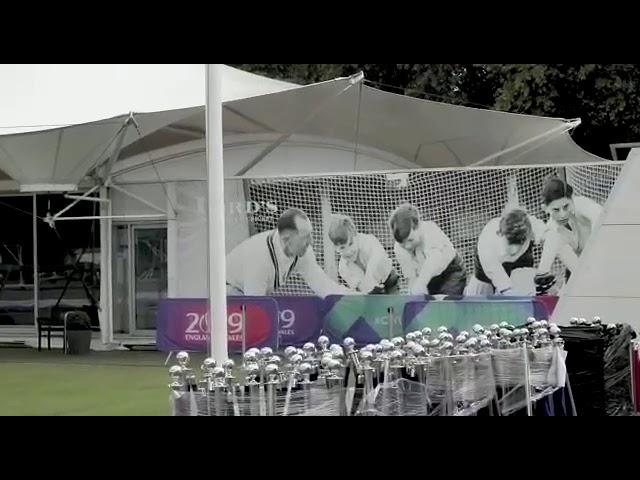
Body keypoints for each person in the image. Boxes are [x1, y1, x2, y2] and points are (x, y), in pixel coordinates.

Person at [226, 208, 357, 297]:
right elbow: (254, 306)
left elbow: (322, 285)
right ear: (287, 239)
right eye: (305, 236)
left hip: (249, 295)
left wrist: (354, 296)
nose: (311, 241)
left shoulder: (303, 251)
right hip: (224, 292)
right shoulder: (259, 258)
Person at [465, 208, 555, 296]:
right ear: (500, 234)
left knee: (525, 290)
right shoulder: (487, 247)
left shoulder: (533, 226)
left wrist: (543, 270)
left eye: (520, 244)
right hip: (485, 273)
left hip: (520, 264)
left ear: (530, 236)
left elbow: (554, 237)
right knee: (475, 305)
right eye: (509, 244)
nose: (514, 251)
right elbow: (506, 290)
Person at [389, 204, 467, 295]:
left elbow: (433, 262)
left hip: (451, 272)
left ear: (418, 226)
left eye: (410, 240)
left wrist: (421, 283)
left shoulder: (430, 231)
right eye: (403, 243)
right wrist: (413, 292)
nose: (407, 247)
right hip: (428, 279)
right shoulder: (399, 248)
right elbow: (411, 276)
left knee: (445, 305)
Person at [539, 176, 603, 282]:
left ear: (572, 199)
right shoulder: (552, 232)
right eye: (556, 209)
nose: (562, 214)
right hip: (582, 265)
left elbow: (603, 220)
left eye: (566, 206)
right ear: (545, 209)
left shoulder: (582, 204)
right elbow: (577, 269)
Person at [327, 214, 399, 294]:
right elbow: (359, 286)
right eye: (342, 248)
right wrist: (369, 288)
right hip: (371, 290)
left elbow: (378, 256)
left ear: (356, 235)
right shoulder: (343, 268)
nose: (348, 251)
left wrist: (369, 275)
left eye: (351, 244)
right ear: (335, 248)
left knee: (395, 304)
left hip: (389, 279)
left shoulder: (368, 240)